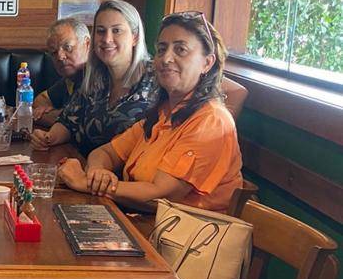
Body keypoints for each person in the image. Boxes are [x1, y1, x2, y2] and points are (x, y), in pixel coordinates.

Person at [58, 12, 242, 214]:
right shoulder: (162, 113)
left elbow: (162, 196)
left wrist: (85, 183)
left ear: (207, 63)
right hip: (139, 223)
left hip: (183, 239)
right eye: (162, 50)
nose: (166, 58)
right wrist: (96, 174)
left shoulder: (212, 120)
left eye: (180, 50)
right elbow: (105, 152)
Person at [32, 0, 156, 155]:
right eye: (101, 31)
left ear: (135, 36)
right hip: (82, 169)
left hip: (129, 176)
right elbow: (68, 122)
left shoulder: (155, 78)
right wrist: (48, 137)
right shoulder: (95, 76)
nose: (107, 39)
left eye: (116, 30)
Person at [33, 17, 91, 129]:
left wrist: (54, 116)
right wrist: (55, 113)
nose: (60, 57)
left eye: (67, 47)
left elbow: (80, 121)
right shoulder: (71, 78)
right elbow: (40, 100)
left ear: (87, 44)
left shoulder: (96, 77)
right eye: (53, 52)